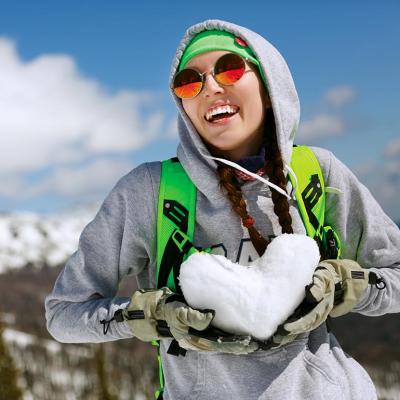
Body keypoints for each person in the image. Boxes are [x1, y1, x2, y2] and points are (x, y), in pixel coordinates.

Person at [45, 19, 400, 400]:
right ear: (183, 104)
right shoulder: (148, 192)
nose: (211, 86)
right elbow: (64, 315)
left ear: (268, 88)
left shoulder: (317, 174)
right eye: (189, 81)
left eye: (230, 68)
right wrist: (151, 315)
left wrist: (345, 286)